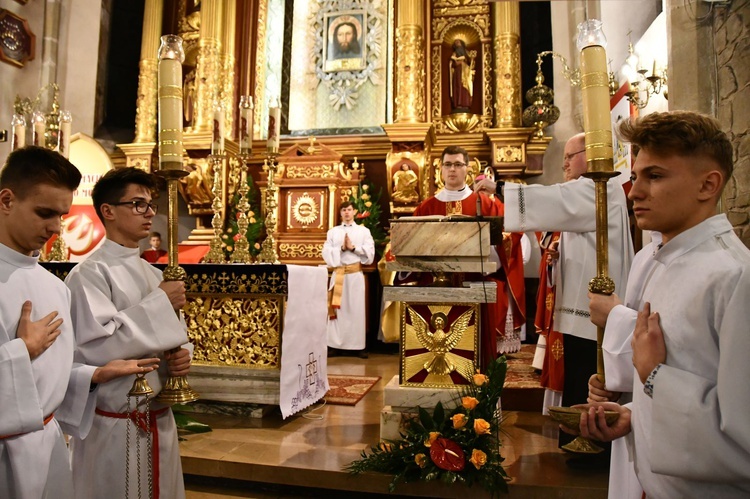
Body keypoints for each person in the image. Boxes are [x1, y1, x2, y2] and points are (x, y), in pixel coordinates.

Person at [575, 111, 750, 498]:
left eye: (654, 176)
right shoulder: (661, 260)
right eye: (636, 176)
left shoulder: (734, 277)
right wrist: (635, 417)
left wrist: (654, 375)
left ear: (708, 184)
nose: (634, 191)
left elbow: (743, 438)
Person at [0, 147, 158, 499]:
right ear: (7, 200)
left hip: (47, 448)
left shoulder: (54, 286)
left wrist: (92, 375)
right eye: (45, 213)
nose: (56, 227)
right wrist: (21, 350)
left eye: (61, 215)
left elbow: (49, 382)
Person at [476, 133, 633, 450]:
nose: (564, 163)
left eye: (570, 155)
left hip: (593, 310)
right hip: (584, 305)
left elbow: (556, 201)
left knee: (587, 377)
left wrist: (500, 188)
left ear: (590, 155)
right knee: (581, 375)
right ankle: (579, 440)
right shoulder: (594, 191)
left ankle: (590, 445)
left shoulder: (600, 189)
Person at [65, 167, 192, 498]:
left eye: (151, 204)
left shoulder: (153, 273)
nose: (150, 212)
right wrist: (162, 302)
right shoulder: (89, 274)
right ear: (108, 211)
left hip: (159, 418)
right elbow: (97, 348)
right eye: (138, 204)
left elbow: (177, 335)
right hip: (115, 424)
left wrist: (182, 358)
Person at [408, 145, 527, 365]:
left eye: (458, 164)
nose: (452, 169)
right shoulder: (426, 207)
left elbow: (511, 239)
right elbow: (410, 247)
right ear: (440, 170)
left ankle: (479, 393)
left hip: (477, 286)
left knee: (478, 355)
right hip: (436, 290)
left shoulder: (488, 204)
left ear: (468, 169)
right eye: (447, 164)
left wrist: (490, 249)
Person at [323, 201, 375, 358]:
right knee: (338, 310)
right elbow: (326, 251)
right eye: (344, 210)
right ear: (340, 213)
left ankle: (357, 346)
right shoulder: (333, 232)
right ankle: (334, 345)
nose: (346, 212)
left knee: (355, 310)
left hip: (354, 275)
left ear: (354, 212)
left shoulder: (363, 231)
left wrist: (353, 248)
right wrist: (341, 248)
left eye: (349, 210)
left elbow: (370, 252)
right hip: (339, 274)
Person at [449, 39, 474, 112]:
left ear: (461, 43)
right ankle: (458, 103)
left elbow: (471, 62)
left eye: (458, 42)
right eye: (456, 43)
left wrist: (470, 59)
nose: (457, 43)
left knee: (465, 87)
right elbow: (452, 64)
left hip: (465, 71)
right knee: (458, 86)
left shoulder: (466, 52)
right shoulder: (454, 54)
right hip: (458, 71)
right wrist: (456, 62)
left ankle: (465, 103)